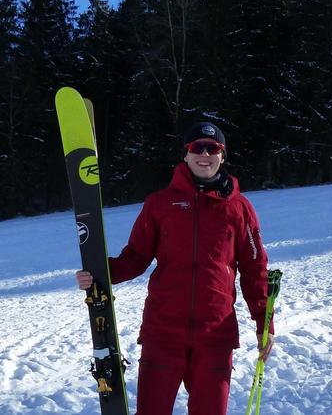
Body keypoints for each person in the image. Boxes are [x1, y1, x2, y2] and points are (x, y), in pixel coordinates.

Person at [76, 122, 274, 415]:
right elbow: (135, 257)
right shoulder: (160, 204)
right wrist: (99, 273)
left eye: (212, 148)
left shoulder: (239, 209)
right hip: (163, 332)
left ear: (223, 155)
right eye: (197, 147)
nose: (204, 154)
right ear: (186, 154)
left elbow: (254, 268)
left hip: (215, 334)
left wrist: (264, 324)